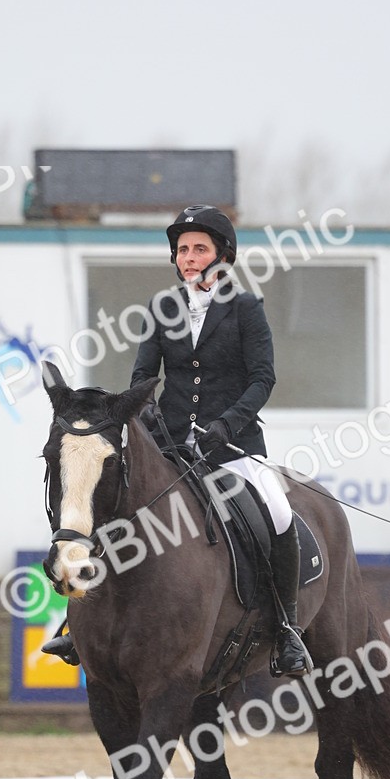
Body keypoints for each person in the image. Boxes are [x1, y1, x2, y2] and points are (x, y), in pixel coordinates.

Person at [43, 204, 312, 676]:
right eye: (183, 249)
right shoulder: (163, 308)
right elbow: (144, 377)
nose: (188, 257)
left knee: (277, 510)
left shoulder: (246, 309)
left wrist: (227, 425)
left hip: (232, 445)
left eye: (199, 248)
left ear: (222, 255)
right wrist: (149, 422)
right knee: (111, 504)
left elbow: (262, 379)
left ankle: (287, 629)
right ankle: (76, 623)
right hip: (169, 444)